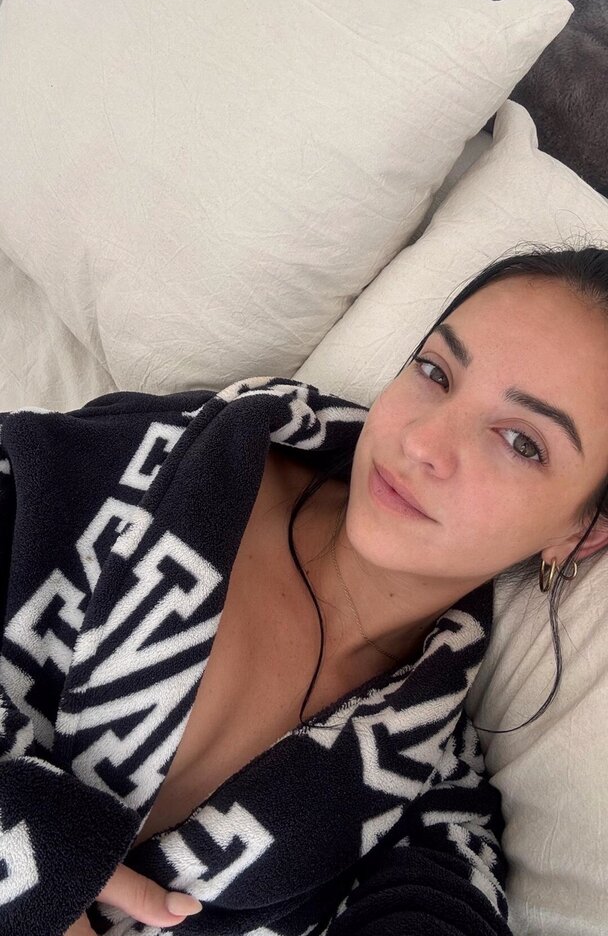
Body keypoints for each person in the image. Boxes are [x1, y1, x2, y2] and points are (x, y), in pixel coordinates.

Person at [4, 245, 608, 935]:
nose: (422, 442)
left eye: (521, 442)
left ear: (581, 532)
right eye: (435, 372)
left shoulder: (426, 787)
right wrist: (29, 870)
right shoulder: (155, 463)